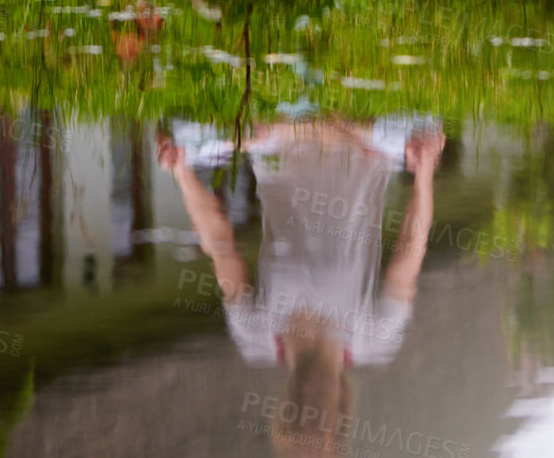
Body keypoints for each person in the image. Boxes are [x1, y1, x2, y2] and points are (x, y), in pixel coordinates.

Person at [159, 113, 445, 452]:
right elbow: (410, 250)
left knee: (180, 134)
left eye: (296, 410)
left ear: (283, 407)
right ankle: (327, 118)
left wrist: (181, 170)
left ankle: (306, 116)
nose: (307, 395)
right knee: (425, 134)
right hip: (363, 145)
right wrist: (424, 174)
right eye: (316, 411)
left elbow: (221, 246)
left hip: (278, 139)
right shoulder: (375, 339)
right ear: (341, 407)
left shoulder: (255, 335)